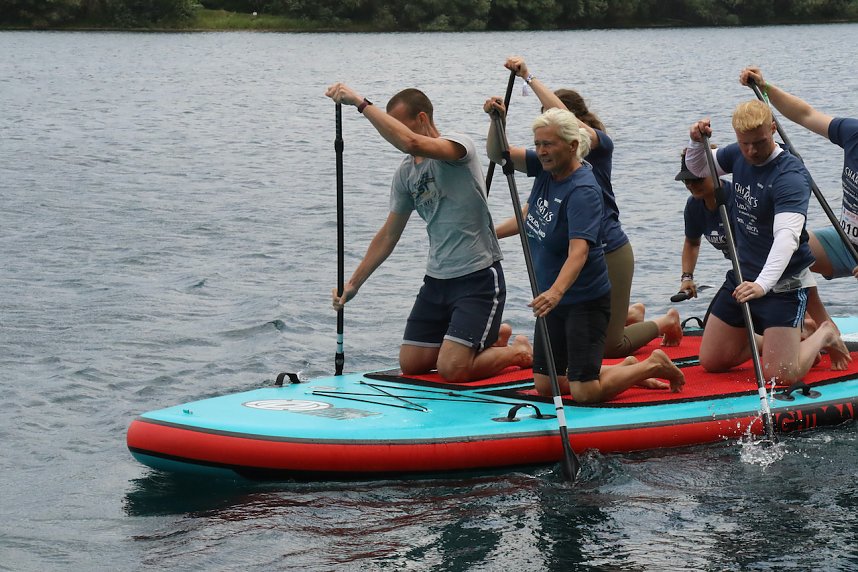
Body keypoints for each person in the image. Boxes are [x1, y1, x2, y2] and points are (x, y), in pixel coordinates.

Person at [324, 83, 533, 382]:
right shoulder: (406, 174)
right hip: (437, 280)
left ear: (422, 119)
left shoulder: (457, 147)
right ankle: (487, 338)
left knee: (452, 370)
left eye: (398, 124)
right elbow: (388, 234)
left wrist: (360, 102)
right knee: (413, 364)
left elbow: (411, 143)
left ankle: (518, 351)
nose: (393, 133)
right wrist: (353, 284)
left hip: (478, 277)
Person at [484, 101, 685, 403]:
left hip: (583, 301)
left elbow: (578, 252)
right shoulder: (545, 168)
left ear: (572, 145)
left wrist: (555, 292)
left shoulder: (583, 191)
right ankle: (621, 369)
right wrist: (494, 121)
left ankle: (650, 365)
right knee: (547, 386)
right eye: (538, 144)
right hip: (552, 301)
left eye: (549, 144)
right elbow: (498, 154)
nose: (541, 151)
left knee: (584, 391)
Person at [502, 56, 683, 358]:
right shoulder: (550, 164)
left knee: (611, 348)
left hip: (608, 250)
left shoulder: (597, 146)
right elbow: (511, 171)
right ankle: (629, 314)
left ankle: (665, 321)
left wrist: (528, 77)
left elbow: (569, 123)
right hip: (573, 253)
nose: (547, 142)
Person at [684, 99, 847, 385]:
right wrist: (697, 144)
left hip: (782, 283)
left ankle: (824, 332)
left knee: (780, 377)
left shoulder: (790, 176)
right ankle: (787, 339)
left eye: (759, 142)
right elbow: (698, 168)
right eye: (745, 143)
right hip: (743, 276)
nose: (751, 151)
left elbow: (787, 238)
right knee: (712, 361)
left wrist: (762, 284)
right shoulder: (739, 154)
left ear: (773, 128)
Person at [739, 67, 858, 280]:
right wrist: (765, 87)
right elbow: (806, 115)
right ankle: (812, 312)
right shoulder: (853, 133)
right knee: (785, 250)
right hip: (846, 242)